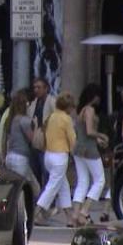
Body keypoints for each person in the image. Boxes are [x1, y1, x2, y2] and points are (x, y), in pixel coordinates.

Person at [34, 91, 77, 226]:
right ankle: (35, 213)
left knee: (63, 186)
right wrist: (74, 153)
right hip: (60, 155)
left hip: (48, 155)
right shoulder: (66, 119)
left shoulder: (52, 116)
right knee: (52, 187)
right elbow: (72, 138)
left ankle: (70, 218)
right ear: (68, 107)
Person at [71, 84, 109, 226]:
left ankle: (75, 214)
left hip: (78, 149)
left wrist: (96, 138)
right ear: (94, 96)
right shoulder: (90, 110)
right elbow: (89, 131)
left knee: (82, 181)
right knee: (100, 180)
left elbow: (82, 132)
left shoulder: (80, 110)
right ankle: (84, 211)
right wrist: (102, 135)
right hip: (89, 149)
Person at [2, 89, 40, 198]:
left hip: (10, 156)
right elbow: (33, 140)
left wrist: (4, 156)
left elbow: (5, 140)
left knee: (26, 186)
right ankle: (37, 211)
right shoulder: (24, 120)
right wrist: (36, 126)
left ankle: (40, 212)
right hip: (21, 158)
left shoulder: (10, 120)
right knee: (25, 189)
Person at [28, 77, 57, 187]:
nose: (36, 90)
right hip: (35, 142)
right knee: (36, 173)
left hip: (47, 144)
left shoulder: (52, 101)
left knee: (46, 173)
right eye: (35, 87)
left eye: (39, 87)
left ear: (46, 89)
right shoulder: (34, 103)